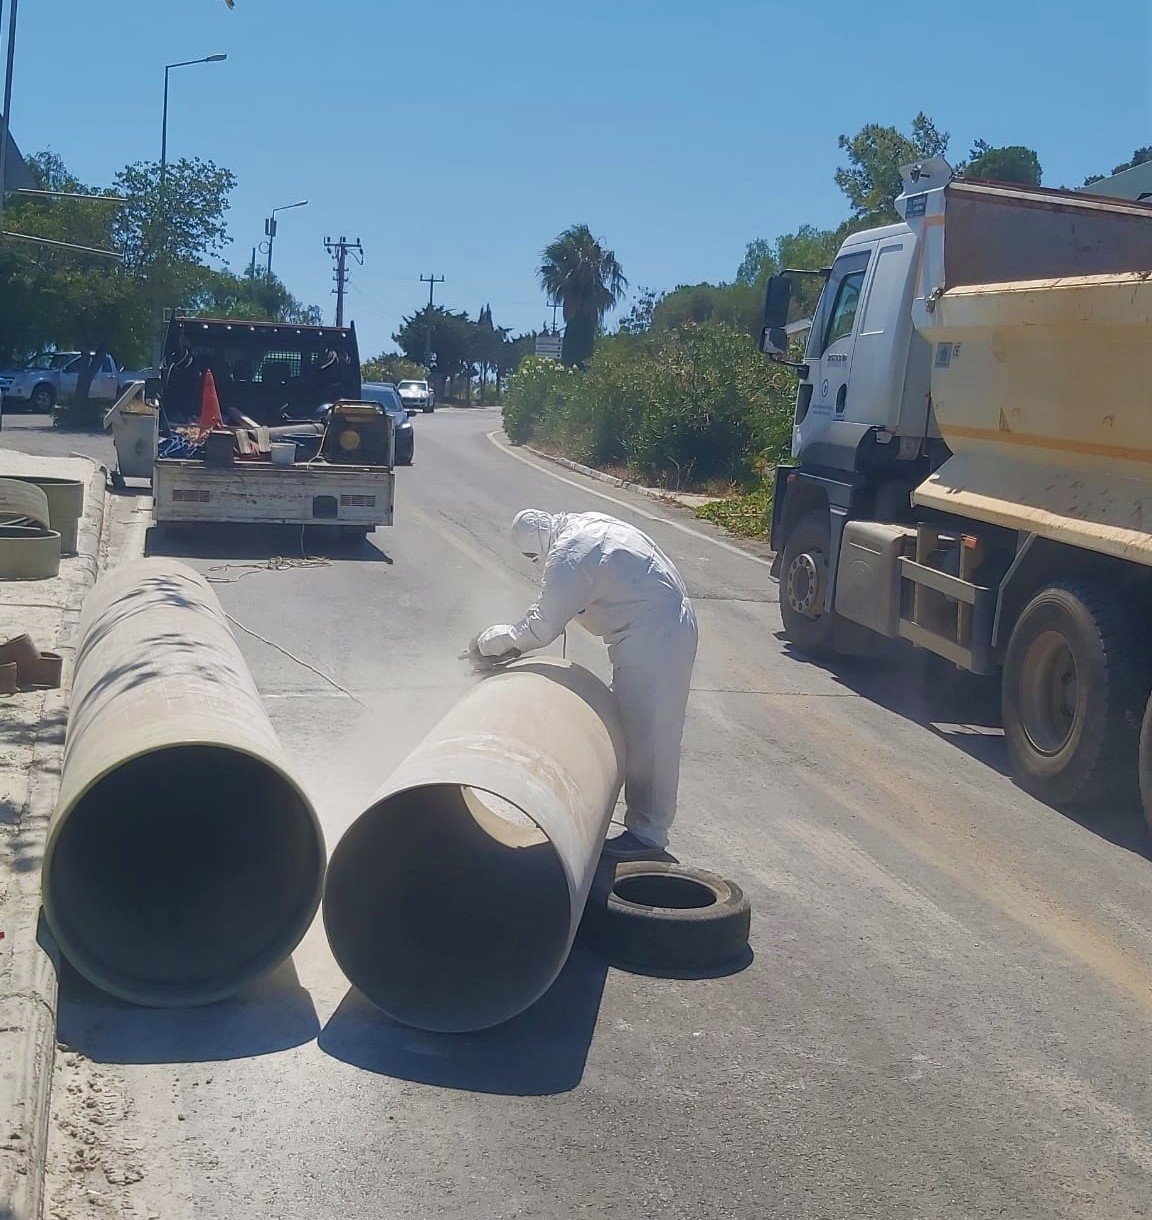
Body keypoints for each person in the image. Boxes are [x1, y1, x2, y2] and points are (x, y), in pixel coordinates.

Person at [474, 509, 698, 860]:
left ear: (540, 545)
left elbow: (540, 628)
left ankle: (648, 836)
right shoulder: (587, 525)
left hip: (655, 635)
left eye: (533, 557)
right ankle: (643, 827)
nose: (536, 564)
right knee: (637, 729)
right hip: (659, 627)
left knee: (649, 734)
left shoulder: (570, 552)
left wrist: (489, 642)